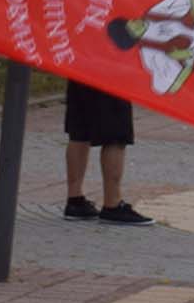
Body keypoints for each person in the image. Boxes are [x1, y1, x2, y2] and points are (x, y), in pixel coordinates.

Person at [61, 83, 153, 225]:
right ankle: (112, 203)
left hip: (80, 72)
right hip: (110, 76)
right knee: (116, 135)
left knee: (79, 132)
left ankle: (75, 200)